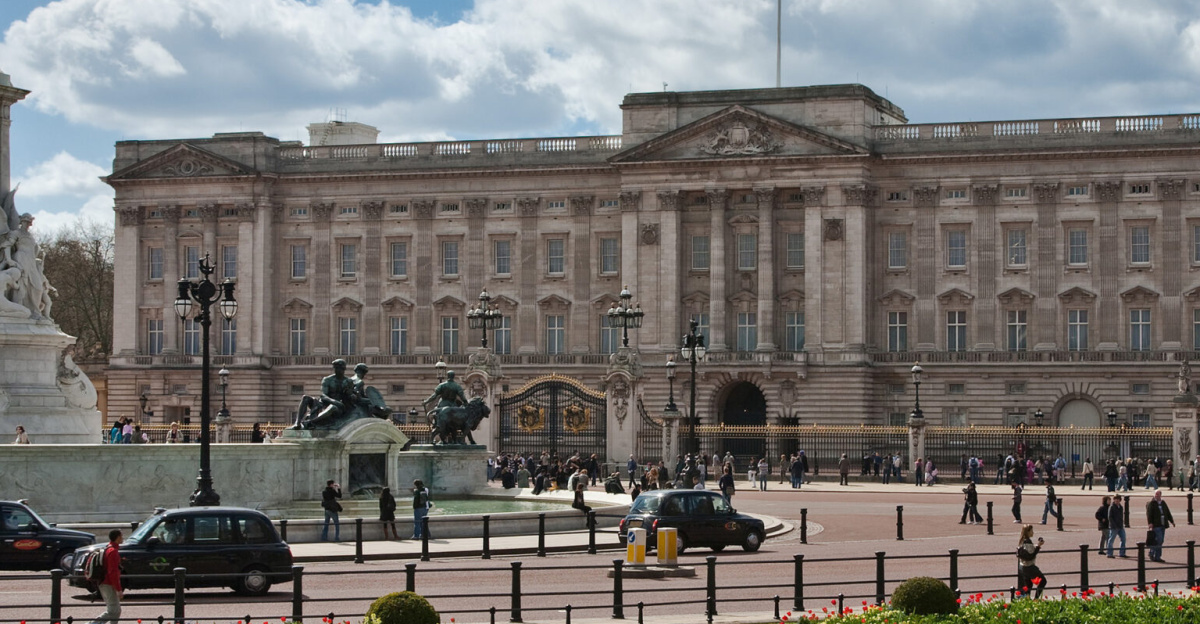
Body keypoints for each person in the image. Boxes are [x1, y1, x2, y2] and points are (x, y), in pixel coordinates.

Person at [89, 529, 123, 624]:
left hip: (105, 582)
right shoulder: (113, 551)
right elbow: (113, 572)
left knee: (115, 610)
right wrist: (118, 589)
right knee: (113, 611)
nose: (122, 538)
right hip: (108, 583)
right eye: (121, 536)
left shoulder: (108, 549)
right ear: (117, 537)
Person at [1016, 525, 1047, 599]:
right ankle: (1036, 599)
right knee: (1043, 581)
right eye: (1032, 531)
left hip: (1022, 566)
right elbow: (1031, 555)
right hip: (1029, 566)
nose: (1033, 532)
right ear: (1028, 532)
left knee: (1028, 585)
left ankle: (1027, 600)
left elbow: (1028, 551)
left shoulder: (1021, 541)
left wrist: (1036, 546)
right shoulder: (1028, 541)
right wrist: (1038, 546)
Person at [1146, 489, 1175, 562]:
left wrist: (1172, 521)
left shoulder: (1163, 503)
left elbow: (1167, 512)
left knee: (1160, 541)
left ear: (1160, 495)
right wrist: (1150, 523)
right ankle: (1156, 556)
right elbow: (1149, 514)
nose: (1157, 496)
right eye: (1156, 494)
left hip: (1163, 524)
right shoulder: (1151, 503)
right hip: (1156, 524)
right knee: (1159, 540)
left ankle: (1153, 554)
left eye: (1158, 494)